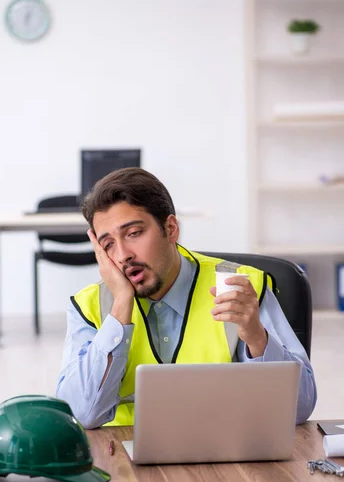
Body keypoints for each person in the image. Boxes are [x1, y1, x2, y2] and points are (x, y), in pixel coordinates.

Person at [56, 168, 317, 429]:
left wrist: (257, 338)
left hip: (227, 456)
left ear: (170, 228)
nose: (123, 255)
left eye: (134, 233)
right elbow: (81, 414)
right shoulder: (90, 305)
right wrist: (121, 306)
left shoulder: (239, 287)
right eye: (108, 244)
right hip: (124, 461)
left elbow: (299, 409)